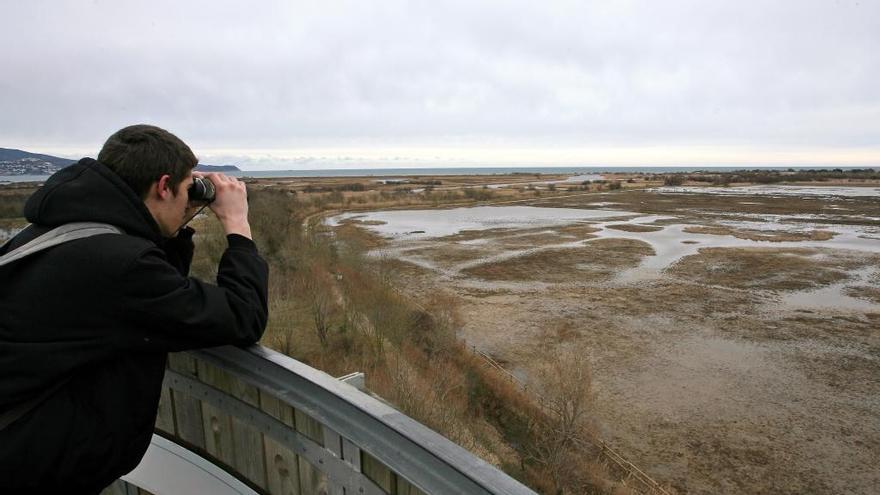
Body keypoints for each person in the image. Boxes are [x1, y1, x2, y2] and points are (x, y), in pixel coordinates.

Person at [0, 124, 269, 493]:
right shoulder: (119, 265)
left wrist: (176, 222)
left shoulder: (54, 232)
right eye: (185, 186)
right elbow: (242, 316)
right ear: (163, 186)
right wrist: (238, 226)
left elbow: (156, 302)